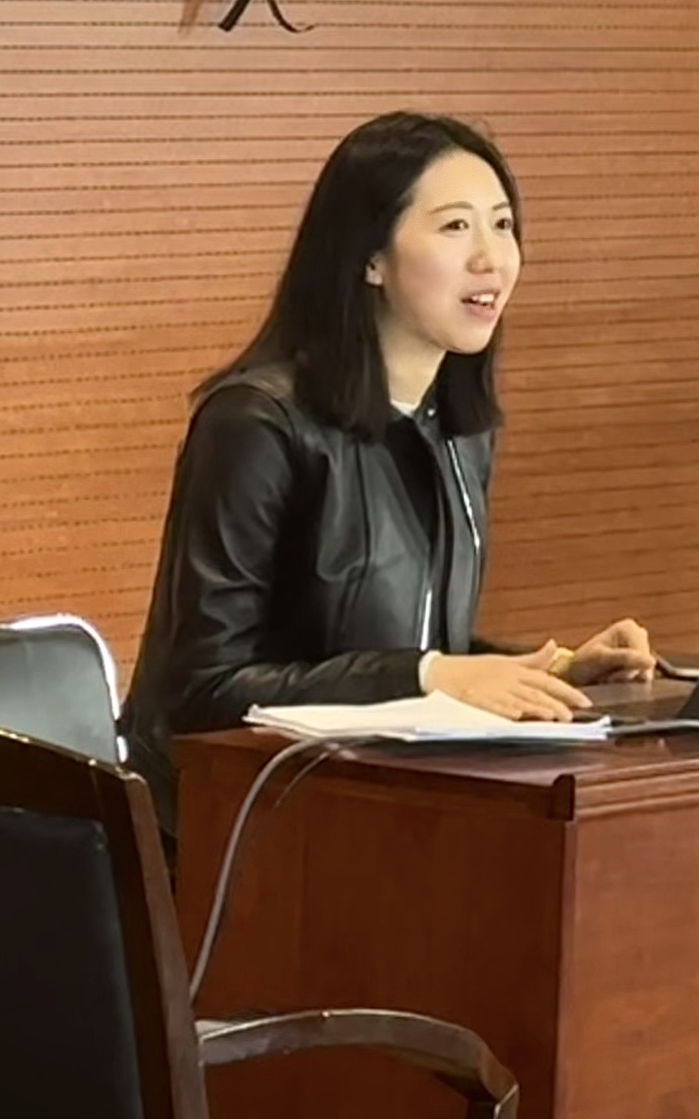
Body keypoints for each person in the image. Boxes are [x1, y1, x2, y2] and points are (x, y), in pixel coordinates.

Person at [120, 111, 654, 836]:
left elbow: (402, 643)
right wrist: (433, 675)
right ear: (370, 258)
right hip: (238, 828)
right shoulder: (255, 422)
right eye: (456, 227)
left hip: (384, 806)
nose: (492, 259)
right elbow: (204, 689)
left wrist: (542, 671)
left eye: (502, 225)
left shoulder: (458, 428)